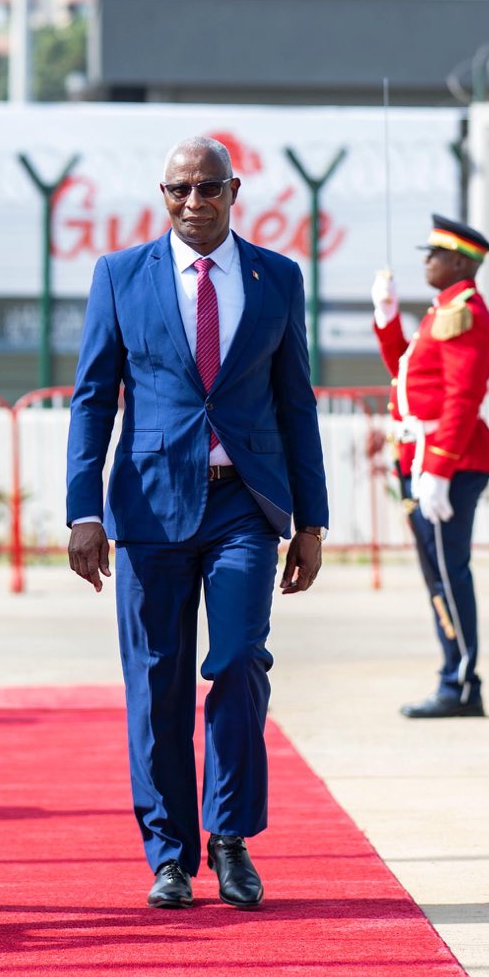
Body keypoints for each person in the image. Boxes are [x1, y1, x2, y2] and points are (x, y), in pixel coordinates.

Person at [66, 136, 327, 911]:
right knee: (155, 685)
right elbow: (91, 397)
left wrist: (309, 520)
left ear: (232, 190)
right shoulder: (120, 275)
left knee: (241, 658)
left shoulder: (275, 277)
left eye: (207, 188)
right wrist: (84, 510)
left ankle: (230, 837)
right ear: (162, 194)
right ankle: (169, 855)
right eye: (177, 189)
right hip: (148, 508)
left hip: (243, 503)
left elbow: (296, 402)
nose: (192, 202)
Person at [371, 215, 489, 718]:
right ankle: (455, 675)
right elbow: (409, 374)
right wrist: (387, 318)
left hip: (448, 459)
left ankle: (461, 681)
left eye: (436, 254)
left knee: (448, 574)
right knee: (438, 575)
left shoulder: (464, 311)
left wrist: (440, 469)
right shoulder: (441, 311)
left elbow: (462, 397)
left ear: (462, 262)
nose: (426, 260)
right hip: (423, 457)